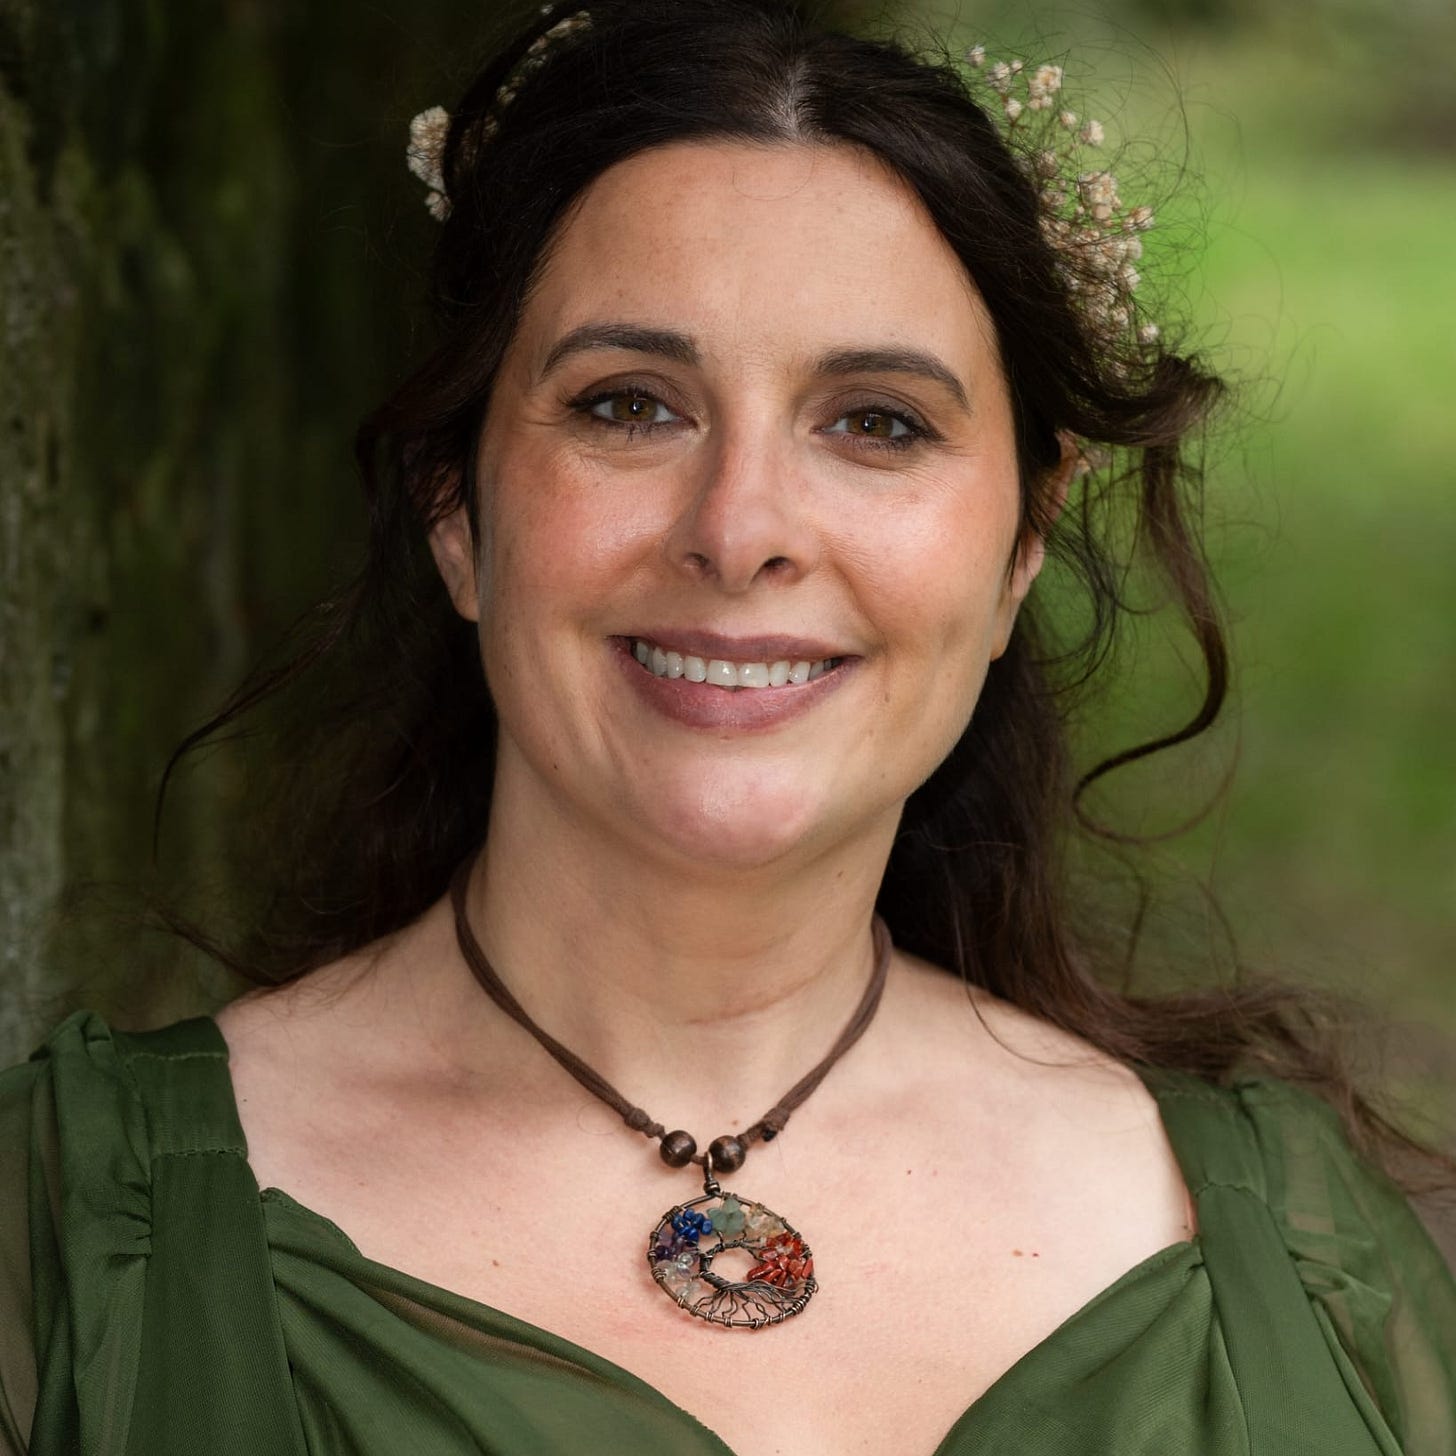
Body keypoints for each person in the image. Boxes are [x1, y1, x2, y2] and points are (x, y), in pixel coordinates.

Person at [2, 1, 1453, 1451]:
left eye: (876, 421)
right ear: (457, 512)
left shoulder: (1299, 1274)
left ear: (1022, 544)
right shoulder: (72, 1249)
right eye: (630, 406)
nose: (741, 528)